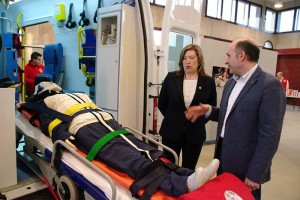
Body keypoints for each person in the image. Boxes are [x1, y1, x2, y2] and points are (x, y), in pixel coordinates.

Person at [18, 82, 220, 200]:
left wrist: (61, 133)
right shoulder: (55, 100)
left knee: (144, 148)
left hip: (101, 122)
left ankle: (187, 174)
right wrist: (64, 138)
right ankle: (179, 184)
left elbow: (48, 122)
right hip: (87, 128)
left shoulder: (58, 98)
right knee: (128, 156)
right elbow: (48, 123)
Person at [184, 39, 286, 200]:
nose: (225, 60)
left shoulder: (269, 85)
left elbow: (270, 135)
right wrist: (208, 110)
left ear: (241, 56)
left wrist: (256, 173)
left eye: (228, 55)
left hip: (247, 166)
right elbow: (229, 115)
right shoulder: (231, 82)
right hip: (223, 157)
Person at [158, 44, 217, 170]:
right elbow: (162, 103)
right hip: (171, 131)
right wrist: (174, 118)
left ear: (199, 60)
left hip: (195, 133)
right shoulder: (172, 77)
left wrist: (197, 121)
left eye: (191, 57)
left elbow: (211, 107)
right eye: (184, 58)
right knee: (168, 168)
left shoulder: (208, 82)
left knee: (188, 170)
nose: (188, 61)